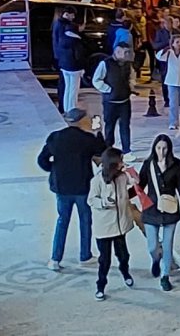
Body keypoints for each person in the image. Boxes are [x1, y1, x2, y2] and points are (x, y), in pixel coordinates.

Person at [37, 107, 107, 271]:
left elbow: (42, 160)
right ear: (82, 121)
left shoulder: (55, 137)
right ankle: (85, 255)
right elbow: (102, 152)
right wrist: (98, 132)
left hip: (62, 187)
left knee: (62, 221)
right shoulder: (87, 139)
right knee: (85, 220)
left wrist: (54, 170)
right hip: (82, 187)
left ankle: (55, 258)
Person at [138, 134, 180, 291]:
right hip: (151, 209)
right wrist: (125, 194)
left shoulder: (176, 164)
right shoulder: (148, 164)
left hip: (170, 209)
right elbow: (140, 185)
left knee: (168, 245)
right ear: (154, 148)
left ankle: (165, 275)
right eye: (159, 148)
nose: (161, 151)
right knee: (152, 246)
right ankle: (156, 259)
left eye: (165, 148)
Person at [87, 147, 137, 301]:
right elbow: (91, 200)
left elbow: (134, 182)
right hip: (104, 227)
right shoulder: (97, 181)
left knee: (124, 255)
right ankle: (101, 285)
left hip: (120, 225)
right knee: (105, 260)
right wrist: (103, 202)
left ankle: (125, 272)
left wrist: (132, 174)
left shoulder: (122, 177)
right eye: (120, 161)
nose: (122, 163)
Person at [92, 41, 137, 162]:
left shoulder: (128, 65)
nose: (125, 55)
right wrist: (108, 89)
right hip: (110, 103)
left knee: (125, 127)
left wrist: (130, 86)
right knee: (109, 127)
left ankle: (127, 151)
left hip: (125, 102)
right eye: (122, 52)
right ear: (116, 52)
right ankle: (108, 150)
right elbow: (96, 80)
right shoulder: (105, 64)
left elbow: (132, 77)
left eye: (127, 52)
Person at [54, 6, 87, 113]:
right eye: (72, 15)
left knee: (67, 88)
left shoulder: (62, 35)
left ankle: (66, 108)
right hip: (73, 66)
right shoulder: (75, 40)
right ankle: (71, 109)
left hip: (64, 64)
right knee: (73, 89)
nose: (73, 17)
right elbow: (79, 55)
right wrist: (82, 67)